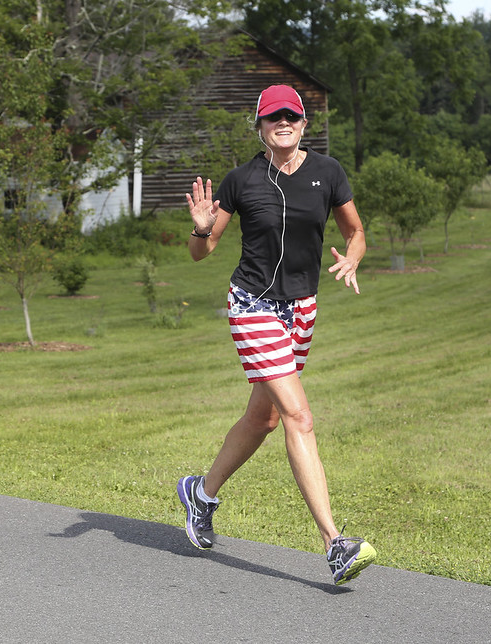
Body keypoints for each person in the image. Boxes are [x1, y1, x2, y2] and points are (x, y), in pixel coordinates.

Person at [176, 84, 376, 585]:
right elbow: (202, 252)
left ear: (304, 123)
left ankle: (201, 493)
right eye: (272, 117)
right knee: (298, 416)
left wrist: (353, 257)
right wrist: (201, 228)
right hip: (252, 305)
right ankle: (335, 544)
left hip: (301, 308)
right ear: (260, 127)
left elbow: (355, 231)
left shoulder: (328, 172)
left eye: (291, 115)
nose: (282, 122)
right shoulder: (241, 180)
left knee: (263, 418)